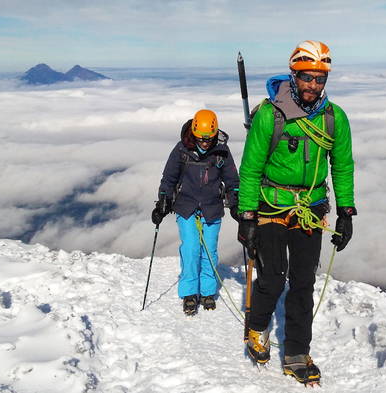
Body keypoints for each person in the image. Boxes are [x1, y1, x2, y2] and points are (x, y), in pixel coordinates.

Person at [236, 40, 356, 385]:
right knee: (272, 277)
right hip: (271, 206)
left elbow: (342, 166)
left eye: (319, 79)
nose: (313, 86)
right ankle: (257, 328)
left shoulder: (335, 118)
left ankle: (297, 352)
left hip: (311, 209)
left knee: (303, 283)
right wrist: (247, 217)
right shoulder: (270, 116)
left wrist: (346, 211)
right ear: (294, 75)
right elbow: (251, 168)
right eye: (307, 78)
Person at [152, 109, 239, 316]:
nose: (205, 143)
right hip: (186, 206)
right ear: (194, 133)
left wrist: (236, 204)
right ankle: (190, 292)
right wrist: (163, 202)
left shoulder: (222, 152)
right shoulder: (181, 150)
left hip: (212, 207)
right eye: (201, 139)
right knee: (191, 249)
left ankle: (207, 291)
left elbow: (233, 181)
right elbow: (169, 178)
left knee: (209, 251)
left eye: (209, 139)